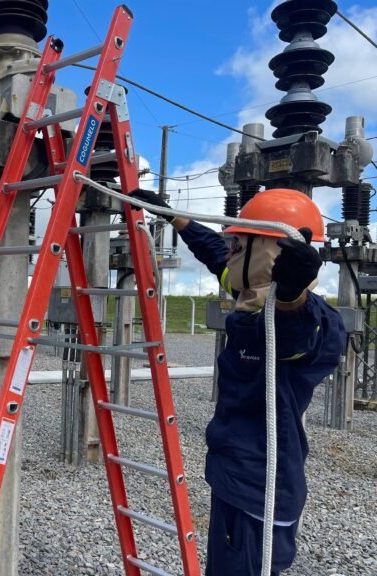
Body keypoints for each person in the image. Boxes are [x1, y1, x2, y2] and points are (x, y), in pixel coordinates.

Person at [129, 188, 346, 576]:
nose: (229, 253)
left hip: (258, 489)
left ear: (270, 253)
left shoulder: (302, 320)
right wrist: (172, 215)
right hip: (234, 475)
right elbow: (214, 254)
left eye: (238, 245)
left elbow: (303, 334)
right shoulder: (249, 294)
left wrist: (293, 295)